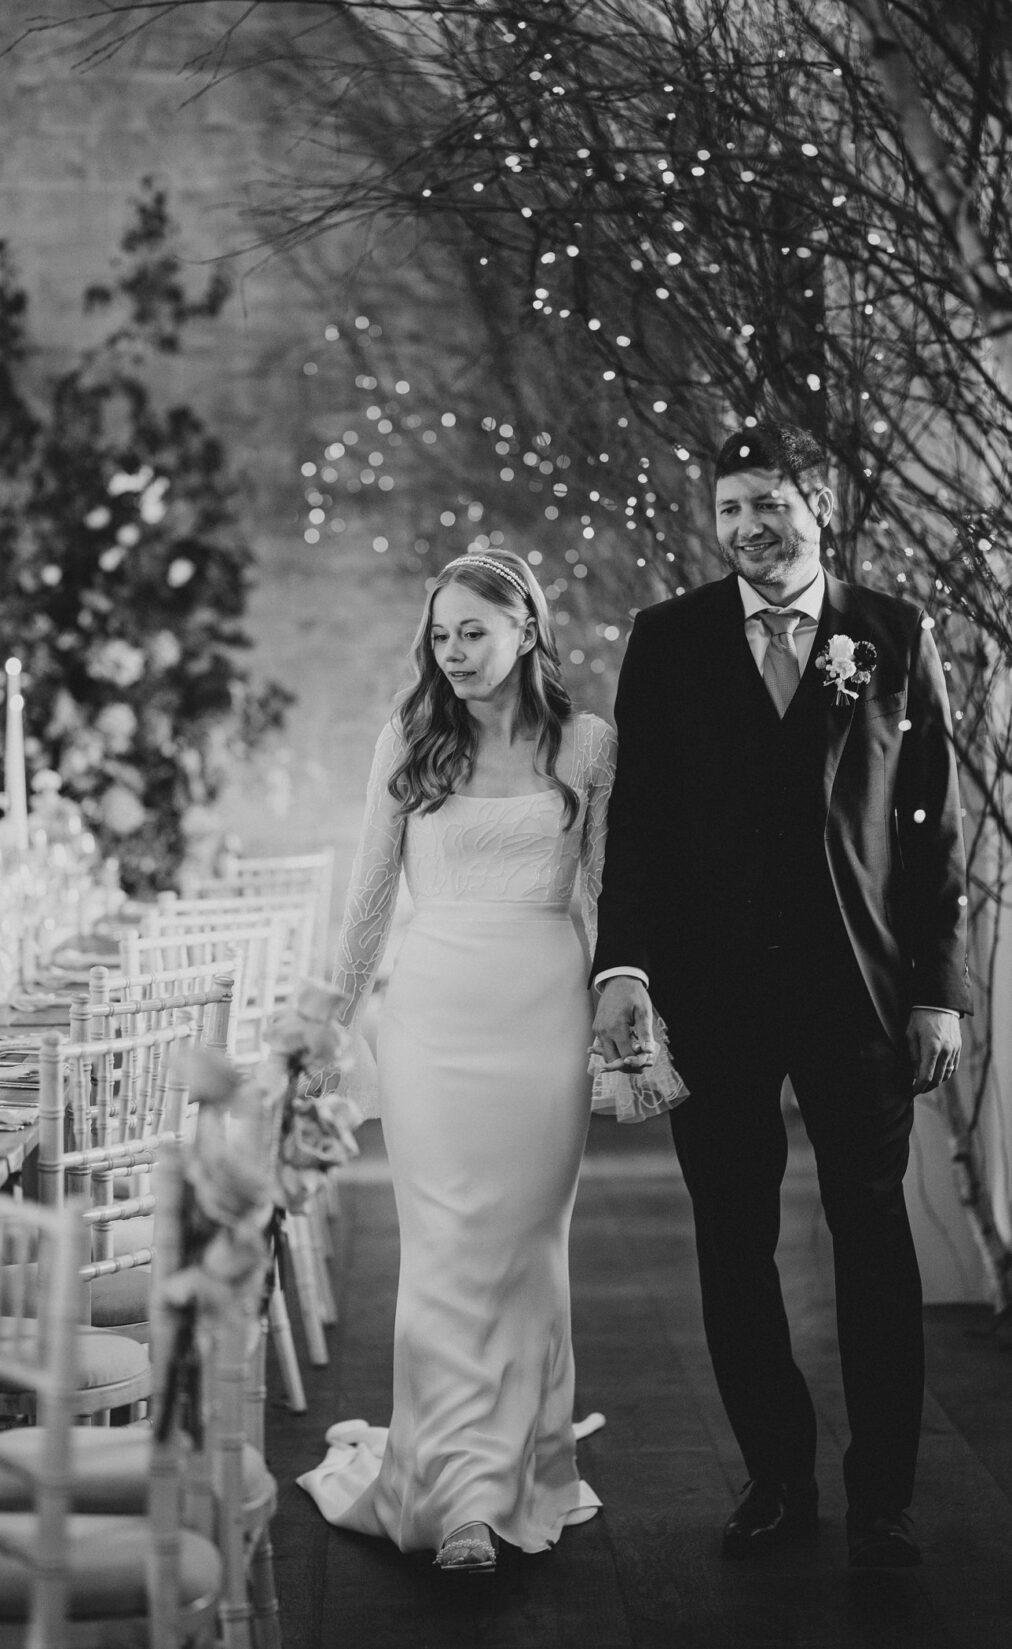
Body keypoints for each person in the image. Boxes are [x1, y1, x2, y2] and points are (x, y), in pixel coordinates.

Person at [592, 420, 970, 1571]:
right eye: (729, 510)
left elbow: (930, 829)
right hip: (711, 993)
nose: (750, 526)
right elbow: (640, 824)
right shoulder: (667, 638)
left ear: (819, 501)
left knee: (871, 1239)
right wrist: (625, 967)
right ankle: (772, 1472)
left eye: (771, 502)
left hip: (856, 991)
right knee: (731, 1238)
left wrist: (935, 989)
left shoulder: (889, 633)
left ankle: (884, 1493)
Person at [298, 548, 622, 1572]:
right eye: (439, 636)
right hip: (431, 1020)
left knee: (525, 1251)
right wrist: (323, 1026)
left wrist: (632, 995)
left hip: (543, 1019)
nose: (453, 653)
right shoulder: (409, 737)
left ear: (525, 627)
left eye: (471, 632)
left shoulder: (587, 744)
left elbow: (608, 897)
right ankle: (460, 1501)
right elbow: (366, 901)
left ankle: (525, 1464)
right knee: (441, 1251)